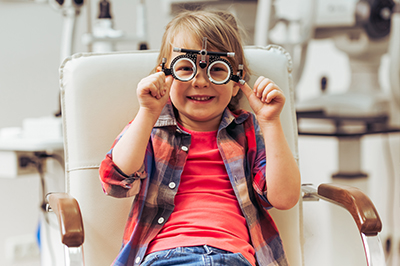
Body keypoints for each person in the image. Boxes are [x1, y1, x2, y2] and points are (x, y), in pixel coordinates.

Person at [99, 10, 301, 266]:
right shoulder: (150, 128)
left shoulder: (249, 130)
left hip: (232, 257)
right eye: (186, 68)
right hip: (164, 257)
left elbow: (284, 198)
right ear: (165, 74)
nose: (201, 81)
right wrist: (148, 112)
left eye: (218, 69)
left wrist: (270, 122)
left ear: (237, 80)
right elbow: (114, 182)